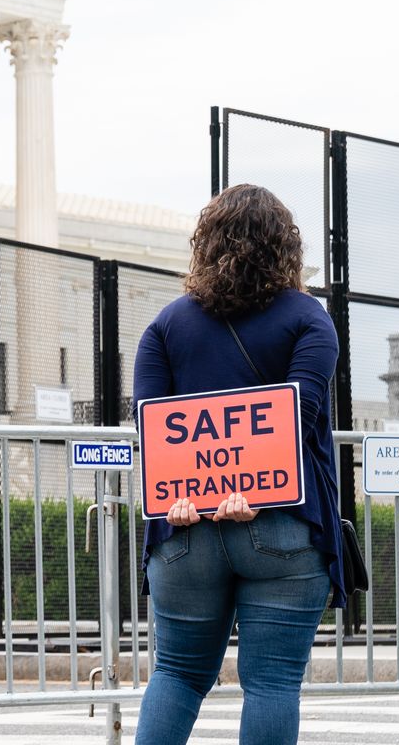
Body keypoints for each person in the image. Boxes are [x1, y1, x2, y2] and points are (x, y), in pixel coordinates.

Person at [131, 183, 344, 745]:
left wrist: (189, 494)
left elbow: (151, 429)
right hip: (282, 523)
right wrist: (254, 484)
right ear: (286, 248)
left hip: (183, 528)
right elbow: (297, 415)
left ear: (205, 244)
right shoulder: (309, 321)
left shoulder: (164, 327)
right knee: (272, 683)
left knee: (176, 674)